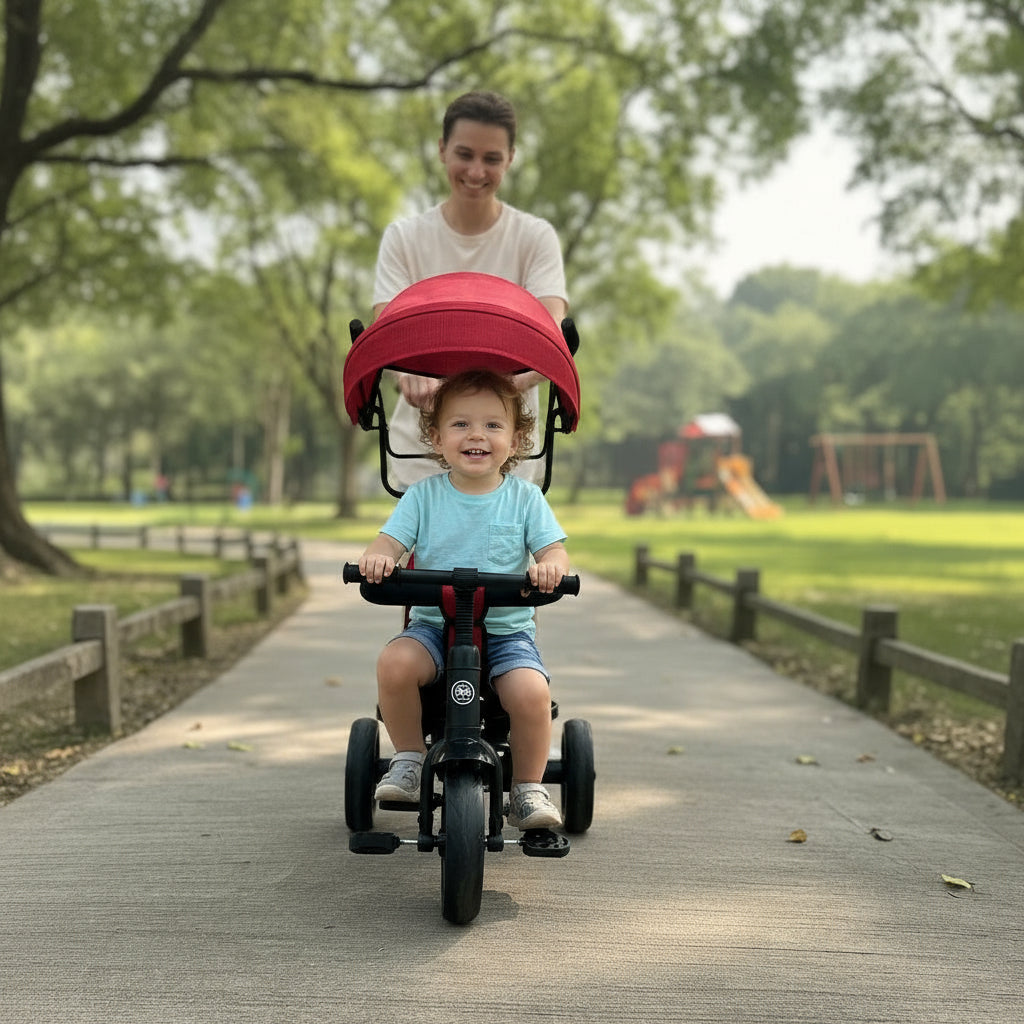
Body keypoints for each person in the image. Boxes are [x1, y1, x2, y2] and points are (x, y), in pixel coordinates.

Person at [358, 369, 571, 829]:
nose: (477, 435)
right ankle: (410, 759)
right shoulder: (422, 497)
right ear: (436, 438)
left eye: (493, 425)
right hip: (434, 626)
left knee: (532, 693)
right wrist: (378, 559)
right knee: (394, 664)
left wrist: (551, 565)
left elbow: (553, 549)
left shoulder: (526, 499)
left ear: (516, 440)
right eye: (460, 425)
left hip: (506, 631)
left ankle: (529, 789)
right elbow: (388, 543)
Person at [372, 89, 568, 489]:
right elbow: (386, 333)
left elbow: (548, 338)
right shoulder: (404, 238)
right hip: (421, 452)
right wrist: (407, 374)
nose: (477, 171)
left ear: (510, 159)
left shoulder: (534, 238)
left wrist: (481, 392)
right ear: (443, 149)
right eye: (465, 154)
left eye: (491, 158)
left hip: (507, 453)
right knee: (418, 552)